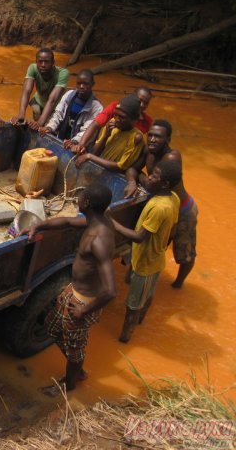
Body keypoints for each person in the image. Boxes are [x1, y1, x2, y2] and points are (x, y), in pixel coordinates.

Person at [18, 183, 116, 397]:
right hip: (73, 291)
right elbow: (68, 221)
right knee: (51, 327)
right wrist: (39, 226)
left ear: (87, 203)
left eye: (80, 197)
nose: (77, 200)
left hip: (83, 303)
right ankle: (77, 368)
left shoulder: (98, 240)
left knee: (75, 348)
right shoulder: (94, 221)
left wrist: (84, 311)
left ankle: (69, 383)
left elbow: (110, 290)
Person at [112, 160, 181, 343]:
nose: (149, 177)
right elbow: (173, 228)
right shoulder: (173, 197)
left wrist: (113, 223)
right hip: (155, 257)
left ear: (164, 183)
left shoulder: (159, 207)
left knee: (132, 307)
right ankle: (141, 321)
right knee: (147, 296)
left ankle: (124, 339)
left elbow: (139, 237)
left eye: (154, 176)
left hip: (146, 263)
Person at [123, 120, 196, 288]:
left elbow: (150, 185)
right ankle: (133, 275)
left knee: (185, 252)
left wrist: (140, 178)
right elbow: (131, 169)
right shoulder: (148, 150)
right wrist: (132, 182)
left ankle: (178, 284)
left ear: (168, 139)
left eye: (158, 137)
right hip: (162, 205)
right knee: (150, 245)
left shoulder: (172, 157)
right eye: (151, 135)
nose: (153, 139)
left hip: (182, 208)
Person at [70, 87, 153, 154]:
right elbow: (95, 124)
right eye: (140, 100)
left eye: (146, 103)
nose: (142, 105)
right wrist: (81, 144)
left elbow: (150, 142)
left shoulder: (147, 121)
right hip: (105, 146)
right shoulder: (115, 107)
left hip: (125, 154)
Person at [75, 94, 145, 173]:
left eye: (122, 117)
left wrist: (90, 157)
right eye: (116, 115)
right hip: (97, 173)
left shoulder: (136, 138)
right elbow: (95, 153)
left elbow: (121, 167)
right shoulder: (112, 124)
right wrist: (105, 136)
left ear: (134, 119)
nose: (117, 119)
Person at [38, 69, 103, 145]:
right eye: (79, 83)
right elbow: (58, 114)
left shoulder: (97, 107)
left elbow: (88, 130)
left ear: (92, 84)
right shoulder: (69, 95)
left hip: (79, 145)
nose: (81, 86)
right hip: (61, 139)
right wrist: (49, 127)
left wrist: (74, 142)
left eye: (85, 84)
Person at [11, 48, 69, 130]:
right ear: (36, 62)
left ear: (53, 62)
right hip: (39, 103)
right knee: (36, 126)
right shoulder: (33, 68)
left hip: (55, 108)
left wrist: (39, 123)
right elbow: (26, 91)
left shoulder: (62, 73)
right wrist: (21, 115)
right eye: (40, 61)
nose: (43, 65)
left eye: (47, 61)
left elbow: (52, 100)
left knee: (49, 129)